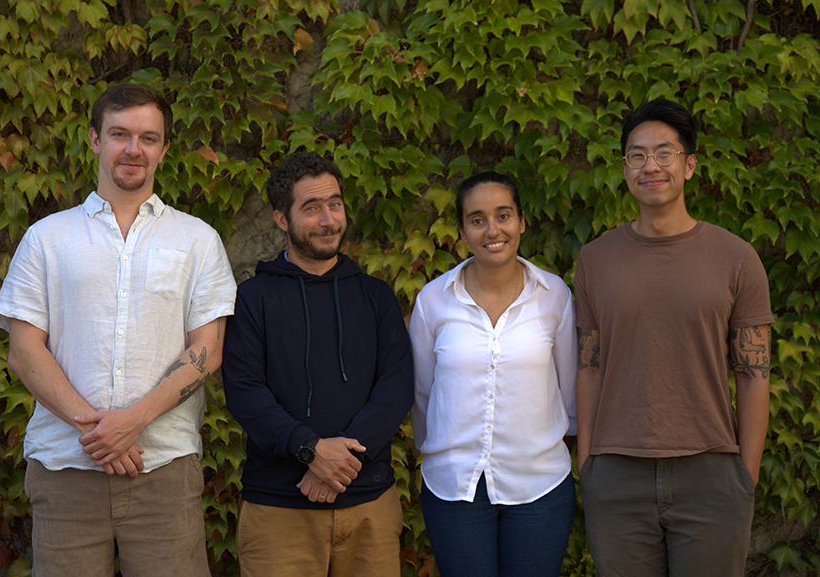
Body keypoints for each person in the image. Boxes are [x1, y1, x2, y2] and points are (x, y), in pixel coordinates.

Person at [0, 83, 237, 576]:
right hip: (66, 470)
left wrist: (133, 421)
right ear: (95, 139)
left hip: (163, 468)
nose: (133, 149)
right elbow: (24, 351)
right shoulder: (46, 238)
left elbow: (208, 350)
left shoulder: (197, 240)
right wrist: (99, 432)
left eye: (148, 138)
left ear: (164, 149)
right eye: (120, 134)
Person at [574, 98, 773, 576]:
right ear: (625, 168)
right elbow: (589, 367)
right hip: (616, 474)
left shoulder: (737, 258)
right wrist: (589, 467)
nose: (651, 166)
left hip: (711, 473)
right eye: (637, 155)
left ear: (690, 165)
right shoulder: (595, 260)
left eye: (665, 153)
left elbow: (753, 373)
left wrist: (744, 475)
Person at [222, 151, 414, 577]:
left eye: (335, 204)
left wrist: (337, 465)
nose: (328, 220)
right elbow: (245, 391)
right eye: (311, 208)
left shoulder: (376, 297)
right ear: (281, 219)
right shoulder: (252, 300)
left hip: (369, 505)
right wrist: (309, 450)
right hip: (279, 509)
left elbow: (396, 386)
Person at [408, 171, 578, 577]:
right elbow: (422, 394)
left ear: (522, 221)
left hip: (540, 486)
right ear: (462, 231)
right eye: (477, 219)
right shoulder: (433, 300)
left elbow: (569, 389)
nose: (492, 230)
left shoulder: (554, 295)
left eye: (503, 216)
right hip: (454, 489)